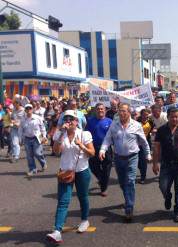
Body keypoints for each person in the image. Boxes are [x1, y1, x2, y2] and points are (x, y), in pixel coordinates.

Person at [46, 110, 95, 244]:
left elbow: (92, 152)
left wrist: (82, 146)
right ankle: (57, 231)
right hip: (65, 171)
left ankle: (85, 220)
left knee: (82, 196)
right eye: (66, 119)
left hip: (82, 171)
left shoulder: (84, 134)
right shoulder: (59, 133)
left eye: (72, 119)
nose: (69, 121)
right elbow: (56, 152)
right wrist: (61, 133)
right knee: (63, 200)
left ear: (77, 121)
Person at [99, 103, 151, 221]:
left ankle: (129, 208)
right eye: (119, 111)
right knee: (123, 183)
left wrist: (148, 154)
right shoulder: (114, 125)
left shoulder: (136, 125)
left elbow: (143, 142)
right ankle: (128, 198)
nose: (121, 113)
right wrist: (102, 150)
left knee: (130, 181)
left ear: (129, 112)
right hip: (118, 158)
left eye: (123, 111)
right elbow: (107, 139)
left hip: (132, 157)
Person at [86, 103, 113, 196]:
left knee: (106, 168)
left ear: (105, 110)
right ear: (95, 110)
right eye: (98, 109)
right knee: (93, 166)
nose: (100, 110)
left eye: (102, 109)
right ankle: (102, 180)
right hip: (93, 148)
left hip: (106, 149)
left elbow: (113, 135)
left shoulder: (110, 121)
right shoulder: (90, 121)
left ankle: (104, 188)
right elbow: (86, 134)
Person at [19, 104, 48, 176]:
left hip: (37, 137)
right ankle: (32, 169)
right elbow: (20, 130)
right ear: (25, 110)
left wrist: (44, 136)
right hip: (27, 139)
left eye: (30, 108)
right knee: (29, 155)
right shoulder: (23, 119)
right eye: (27, 109)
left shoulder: (37, 118)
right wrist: (20, 139)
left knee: (37, 153)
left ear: (32, 109)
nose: (28, 110)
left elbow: (42, 128)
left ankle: (43, 163)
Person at [137, 108, 154, 184]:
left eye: (147, 115)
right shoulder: (137, 121)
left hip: (146, 143)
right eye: (144, 115)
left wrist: (152, 132)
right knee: (137, 161)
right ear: (141, 115)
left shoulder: (150, 121)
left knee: (143, 160)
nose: (145, 116)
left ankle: (143, 177)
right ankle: (141, 169)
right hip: (136, 143)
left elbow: (154, 128)